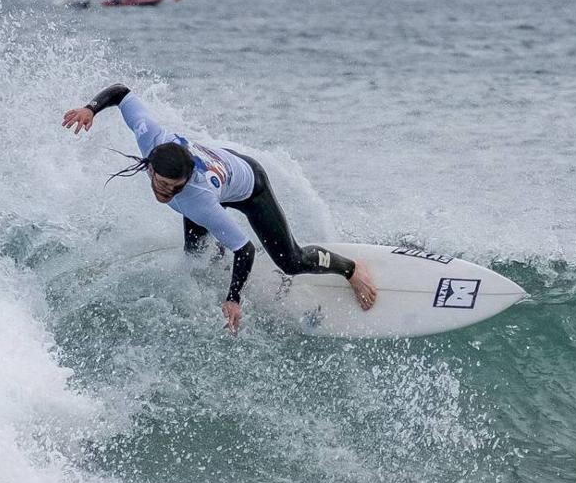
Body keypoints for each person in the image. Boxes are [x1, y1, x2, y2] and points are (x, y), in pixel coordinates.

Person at [62, 84, 377, 333]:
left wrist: (233, 299)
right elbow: (121, 93)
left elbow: (246, 250)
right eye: (161, 183)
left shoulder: (197, 199)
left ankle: (350, 268)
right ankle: (221, 263)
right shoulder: (152, 138)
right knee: (196, 258)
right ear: (152, 166)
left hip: (250, 186)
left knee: (290, 260)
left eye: (174, 188)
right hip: (219, 169)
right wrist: (90, 109)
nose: (165, 193)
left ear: (186, 180)